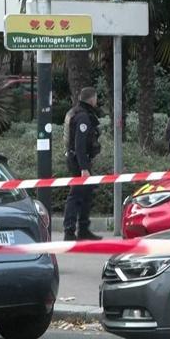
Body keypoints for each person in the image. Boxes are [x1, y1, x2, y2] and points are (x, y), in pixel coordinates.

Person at [62, 87, 103, 241]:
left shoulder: (76, 112)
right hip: (78, 162)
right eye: (96, 98)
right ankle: (69, 232)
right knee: (76, 195)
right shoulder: (83, 117)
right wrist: (84, 168)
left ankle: (83, 229)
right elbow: (79, 144)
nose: (96, 101)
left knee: (86, 195)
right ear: (92, 99)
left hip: (77, 159)